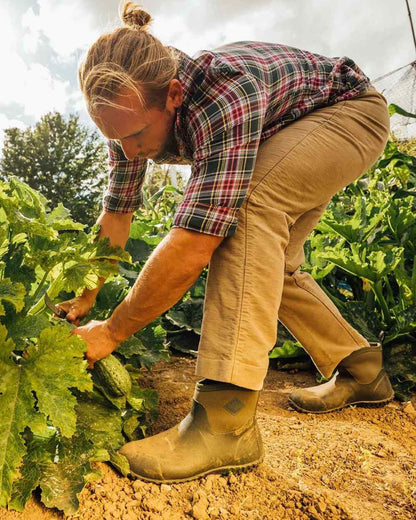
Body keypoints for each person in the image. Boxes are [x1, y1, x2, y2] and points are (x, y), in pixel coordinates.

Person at [58, 1, 395, 483]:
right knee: (268, 262)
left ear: (173, 94)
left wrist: (111, 330)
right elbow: (116, 216)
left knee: (247, 209)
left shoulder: (223, 95)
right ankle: (361, 368)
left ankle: (225, 421)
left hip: (349, 114)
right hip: (291, 128)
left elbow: (196, 241)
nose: (128, 151)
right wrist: (87, 293)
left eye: (133, 136)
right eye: (114, 138)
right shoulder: (129, 114)